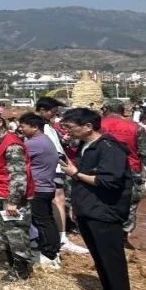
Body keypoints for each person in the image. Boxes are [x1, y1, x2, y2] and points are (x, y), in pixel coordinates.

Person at [59, 108, 133, 290]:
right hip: (88, 209)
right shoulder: (86, 146)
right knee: (99, 258)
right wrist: (76, 205)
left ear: (88, 126)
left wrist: (76, 174)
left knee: (112, 260)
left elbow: (109, 181)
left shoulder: (109, 148)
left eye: (71, 127)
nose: (68, 131)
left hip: (105, 211)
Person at [0, 109, 35, 282]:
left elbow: (19, 175)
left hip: (11, 196)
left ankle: (21, 268)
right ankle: (6, 260)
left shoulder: (12, 144)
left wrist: (13, 202)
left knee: (15, 231)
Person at [36, 97, 88, 255]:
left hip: (54, 166)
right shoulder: (40, 126)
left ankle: (59, 235)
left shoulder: (47, 125)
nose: (56, 112)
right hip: (53, 168)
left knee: (57, 200)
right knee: (58, 200)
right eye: (53, 110)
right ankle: (61, 238)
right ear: (43, 110)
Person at [101, 101, 146, 244]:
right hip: (131, 169)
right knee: (130, 202)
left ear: (105, 110)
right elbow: (144, 153)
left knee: (104, 199)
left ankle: (107, 230)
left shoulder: (97, 124)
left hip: (103, 169)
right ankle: (124, 233)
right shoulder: (136, 127)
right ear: (123, 111)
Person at [18, 113, 61, 268]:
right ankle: (53, 250)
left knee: (42, 221)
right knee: (47, 219)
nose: (21, 129)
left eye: (23, 126)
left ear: (35, 127)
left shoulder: (34, 144)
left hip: (38, 187)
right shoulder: (44, 140)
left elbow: (16, 157)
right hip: (46, 185)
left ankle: (49, 253)